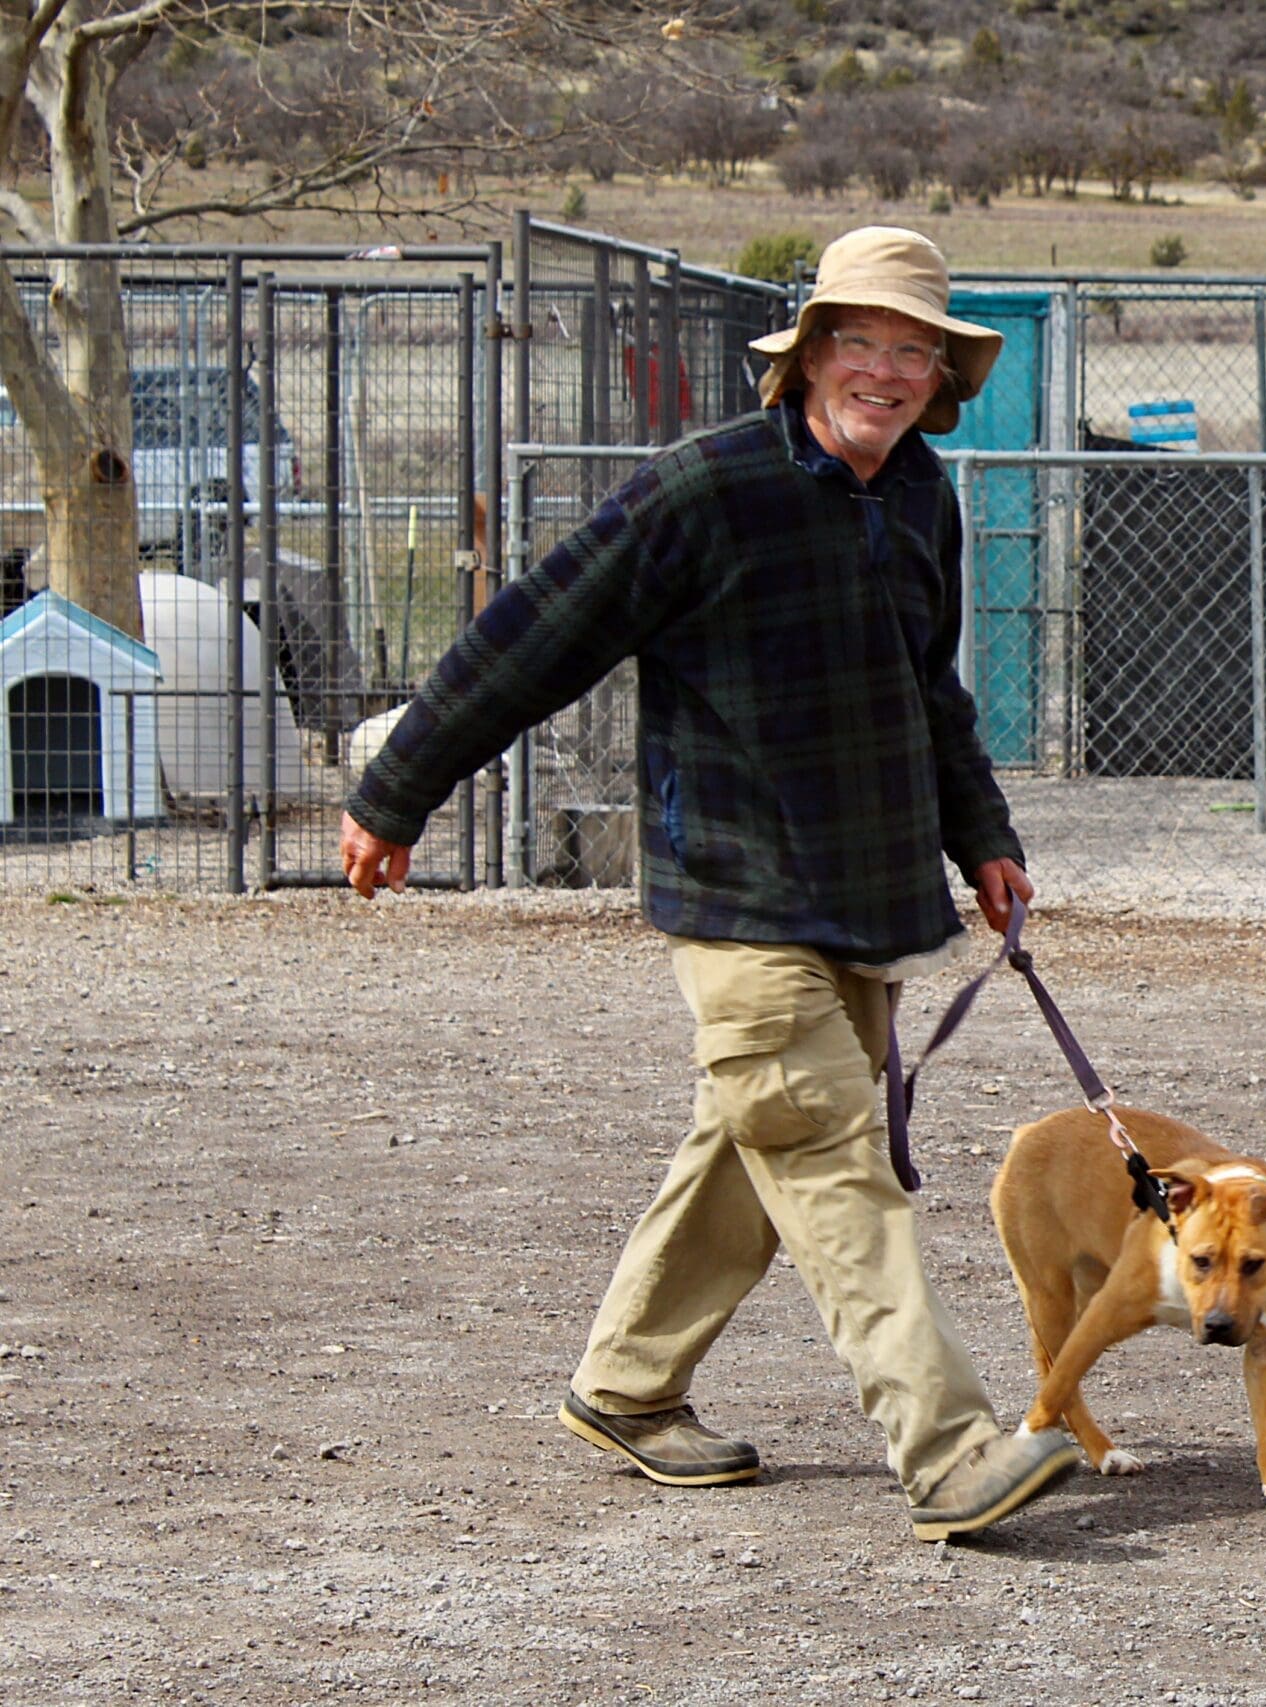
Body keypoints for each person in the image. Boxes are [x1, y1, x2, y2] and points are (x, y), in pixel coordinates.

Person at [338, 226, 1081, 1542]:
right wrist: (398, 790)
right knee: (829, 1150)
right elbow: (531, 639)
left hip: (861, 888)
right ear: (810, 356)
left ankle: (627, 1386)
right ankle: (953, 1449)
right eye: (864, 342)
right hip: (735, 889)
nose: (889, 371)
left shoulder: (921, 496)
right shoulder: (699, 490)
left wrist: (984, 836)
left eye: (916, 351)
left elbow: (930, 692)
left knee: (754, 1150)